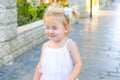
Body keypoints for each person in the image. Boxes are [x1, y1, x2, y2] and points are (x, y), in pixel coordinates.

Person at [33, 4, 82, 80]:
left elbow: (77, 64)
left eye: (54, 28)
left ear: (65, 28)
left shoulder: (70, 45)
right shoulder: (46, 46)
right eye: (47, 27)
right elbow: (41, 65)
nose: (50, 31)